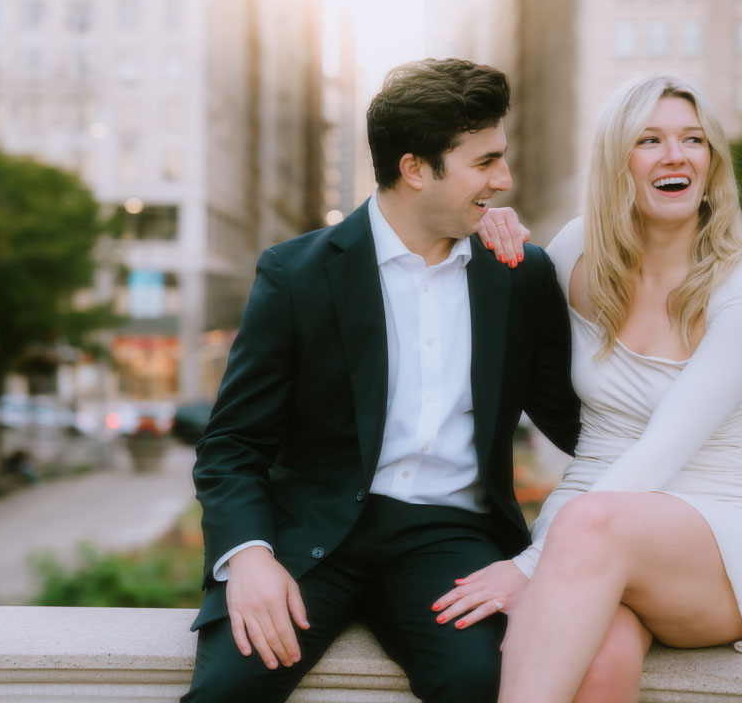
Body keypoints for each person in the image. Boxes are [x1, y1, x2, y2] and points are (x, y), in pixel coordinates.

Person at [184, 58, 582, 702]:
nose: (504, 180)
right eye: (484, 162)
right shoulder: (296, 275)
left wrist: (706, 456)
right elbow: (233, 444)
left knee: (481, 681)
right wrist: (249, 557)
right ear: (415, 169)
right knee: (229, 688)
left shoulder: (519, 275)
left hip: (448, 537)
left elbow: (575, 421)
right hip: (307, 530)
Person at [435, 75, 742, 703]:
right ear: (616, 161)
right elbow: (498, 322)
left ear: (712, 163)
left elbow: (667, 444)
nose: (675, 155)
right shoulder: (577, 252)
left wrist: (529, 565)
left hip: (718, 541)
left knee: (590, 526)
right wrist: (492, 224)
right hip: (591, 529)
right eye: (649, 140)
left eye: (693, 139)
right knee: (598, 667)